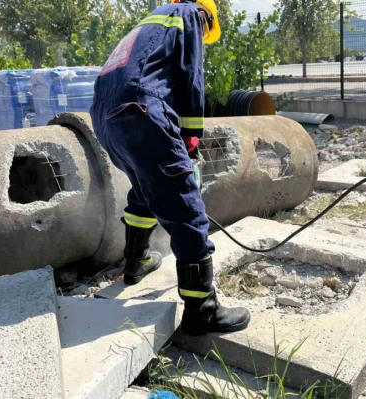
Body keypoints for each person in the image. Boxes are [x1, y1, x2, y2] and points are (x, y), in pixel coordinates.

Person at [89, 0, 250, 336]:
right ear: (207, 16)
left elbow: (157, 78)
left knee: (146, 188)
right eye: (208, 30)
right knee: (185, 206)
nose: (203, 35)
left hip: (106, 118)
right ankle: (202, 310)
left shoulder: (147, 26)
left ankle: (136, 262)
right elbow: (191, 74)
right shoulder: (189, 13)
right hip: (139, 109)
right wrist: (191, 135)